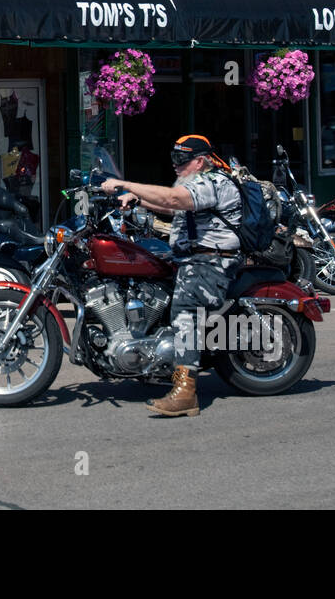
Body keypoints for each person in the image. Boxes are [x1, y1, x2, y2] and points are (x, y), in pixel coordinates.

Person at [98, 135, 242, 417]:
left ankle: (186, 393)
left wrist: (126, 184)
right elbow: (172, 205)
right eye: (173, 158)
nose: (175, 165)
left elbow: (174, 198)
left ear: (200, 161)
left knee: (185, 310)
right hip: (189, 256)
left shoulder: (214, 182)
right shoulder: (193, 182)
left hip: (211, 261)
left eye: (181, 159)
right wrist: (138, 200)